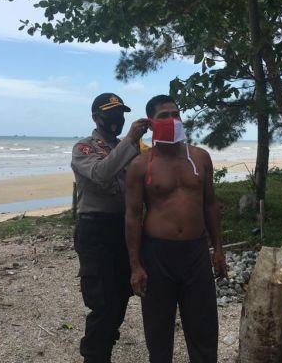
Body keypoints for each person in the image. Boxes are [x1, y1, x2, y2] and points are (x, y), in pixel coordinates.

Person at [125, 94, 227, 363]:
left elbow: (210, 205)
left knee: (203, 325)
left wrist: (218, 249)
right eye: (164, 116)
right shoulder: (140, 165)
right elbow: (133, 216)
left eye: (176, 114)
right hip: (157, 253)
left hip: (196, 251)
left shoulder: (200, 158)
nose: (172, 120)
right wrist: (135, 265)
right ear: (151, 122)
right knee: (158, 327)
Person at [71, 92, 149, 363]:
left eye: (120, 114)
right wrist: (129, 140)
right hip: (95, 229)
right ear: (96, 117)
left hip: (124, 227)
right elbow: (101, 174)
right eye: (110, 114)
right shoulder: (84, 147)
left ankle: (104, 344)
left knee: (122, 295)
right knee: (102, 301)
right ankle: (94, 355)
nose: (116, 119)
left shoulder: (132, 148)